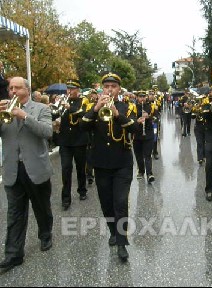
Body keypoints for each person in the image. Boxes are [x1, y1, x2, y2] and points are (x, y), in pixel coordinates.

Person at [81, 72, 139, 262]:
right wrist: (97, 108)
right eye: (106, 87)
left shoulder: (128, 106)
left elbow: (134, 129)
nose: (109, 90)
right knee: (106, 202)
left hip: (122, 162)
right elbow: (83, 127)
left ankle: (122, 243)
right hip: (101, 162)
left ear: (118, 89)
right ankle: (113, 231)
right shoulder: (92, 107)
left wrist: (116, 113)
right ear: (102, 89)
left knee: (120, 202)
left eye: (113, 87)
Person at [0, 77, 54, 272]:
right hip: (12, 169)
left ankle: (45, 234)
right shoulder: (3, 109)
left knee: (42, 207)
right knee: (14, 213)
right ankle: (14, 254)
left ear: (27, 90)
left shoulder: (41, 109)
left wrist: (23, 116)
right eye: (10, 88)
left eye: (17, 88)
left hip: (36, 168)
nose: (12, 91)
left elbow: (47, 132)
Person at [58, 80, 89, 210]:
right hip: (65, 141)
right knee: (66, 169)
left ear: (78, 89)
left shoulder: (84, 101)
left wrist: (69, 108)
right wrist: (55, 108)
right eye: (68, 88)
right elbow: (55, 115)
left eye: (72, 88)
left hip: (79, 140)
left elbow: (84, 113)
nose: (69, 91)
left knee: (81, 168)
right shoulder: (63, 101)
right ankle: (66, 198)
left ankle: (82, 190)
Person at [133, 91, 158, 183]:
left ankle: (149, 173)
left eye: (144, 96)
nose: (142, 98)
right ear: (137, 98)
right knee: (138, 155)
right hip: (137, 134)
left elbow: (156, 117)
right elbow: (130, 119)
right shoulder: (133, 107)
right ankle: (141, 171)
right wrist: (138, 119)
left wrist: (149, 117)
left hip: (148, 133)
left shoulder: (151, 106)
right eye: (140, 96)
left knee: (148, 155)